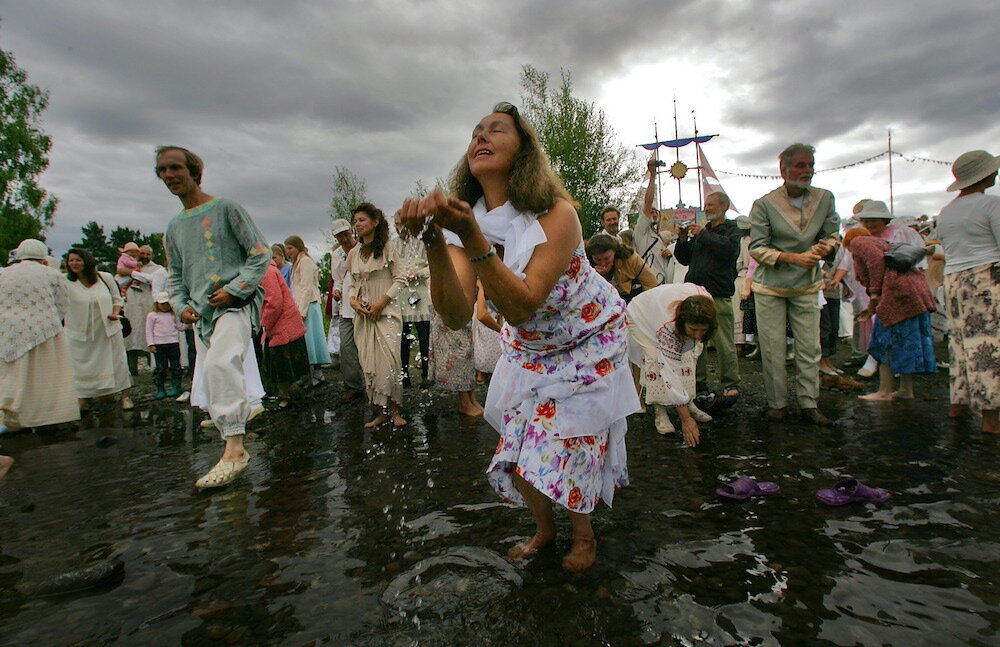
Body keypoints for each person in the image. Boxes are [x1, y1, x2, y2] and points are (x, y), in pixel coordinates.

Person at [398, 101, 638, 572]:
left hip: (587, 342)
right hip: (531, 349)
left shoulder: (557, 215)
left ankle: (583, 536)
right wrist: (432, 239)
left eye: (496, 130)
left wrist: (469, 234)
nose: (481, 137)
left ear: (525, 150)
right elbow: (451, 313)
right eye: (475, 131)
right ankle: (544, 530)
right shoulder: (468, 222)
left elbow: (522, 302)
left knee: (571, 441)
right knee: (521, 443)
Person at [157, 145, 270, 488]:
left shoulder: (226, 209)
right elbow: (175, 276)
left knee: (220, 363)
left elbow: (259, 254)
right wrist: (180, 305)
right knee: (209, 370)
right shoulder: (173, 228)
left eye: (175, 167)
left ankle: (234, 449)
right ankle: (233, 436)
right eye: (162, 170)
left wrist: (235, 289)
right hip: (201, 314)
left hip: (235, 303)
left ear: (194, 171)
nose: (169, 175)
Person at [749, 143, 840, 425]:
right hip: (770, 286)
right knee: (773, 347)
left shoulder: (825, 198)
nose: (807, 170)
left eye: (810, 165)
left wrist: (825, 249)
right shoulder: (764, 204)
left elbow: (833, 234)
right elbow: (757, 247)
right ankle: (777, 404)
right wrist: (791, 257)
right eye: (801, 165)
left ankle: (808, 403)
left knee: (810, 346)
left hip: (807, 283)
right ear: (783, 169)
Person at [936, 150, 1000, 433]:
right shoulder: (991, 205)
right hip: (985, 276)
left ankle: (958, 405)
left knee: (961, 342)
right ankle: (991, 418)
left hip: (954, 279)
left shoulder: (947, 211)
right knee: (988, 344)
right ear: (984, 175)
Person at [843, 228, 937, 401]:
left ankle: (885, 391)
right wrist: (872, 306)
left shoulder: (858, 242)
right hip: (914, 293)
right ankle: (905, 389)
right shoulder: (881, 243)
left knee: (885, 340)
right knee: (907, 340)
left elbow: (875, 263)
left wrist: (875, 294)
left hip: (896, 295)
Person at [0, 239, 79, 431]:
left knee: (12, 375)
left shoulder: (4, 273)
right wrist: (53, 322)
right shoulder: (52, 274)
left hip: (7, 330)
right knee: (44, 377)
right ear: (42, 254)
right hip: (44, 330)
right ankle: (46, 419)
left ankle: (11, 419)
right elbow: (62, 305)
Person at [673, 191, 742, 405]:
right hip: (695, 293)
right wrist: (683, 240)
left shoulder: (731, 230)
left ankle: (731, 383)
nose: (707, 208)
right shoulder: (703, 232)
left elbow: (728, 251)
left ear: (724, 206)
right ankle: (699, 383)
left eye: (711, 204)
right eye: (706, 204)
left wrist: (703, 235)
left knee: (724, 342)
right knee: (696, 340)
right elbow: (684, 259)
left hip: (718, 293)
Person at [627, 283, 718, 444]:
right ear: (683, 322)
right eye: (693, 330)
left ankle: (689, 402)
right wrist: (686, 421)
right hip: (640, 315)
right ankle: (660, 410)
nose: (697, 336)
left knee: (688, 357)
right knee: (655, 359)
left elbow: (693, 344)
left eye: (703, 331)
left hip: (660, 308)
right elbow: (670, 371)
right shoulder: (667, 327)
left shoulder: (706, 304)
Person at [347, 203, 408, 428]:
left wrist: (381, 303)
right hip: (363, 314)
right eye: (355, 221)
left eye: (362, 220)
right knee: (368, 362)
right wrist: (353, 302)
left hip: (386, 312)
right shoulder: (354, 253)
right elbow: (353, 284)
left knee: (389, 361)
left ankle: (395, 410)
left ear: (375, 222)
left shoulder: (388, 247)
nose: (357, 224)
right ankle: (380, 412)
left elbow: (400, 279)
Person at [64, 248, 134, 411]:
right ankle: (82, 399)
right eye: (71, 260)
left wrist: (115, 313)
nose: (74, 263)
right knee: (79, 367)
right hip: (79, 333)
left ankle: (125, 397)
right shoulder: (66, 281)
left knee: (117, 363)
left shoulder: (105, 278)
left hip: (107, 330)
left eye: (78, 260)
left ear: (87, 261)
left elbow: (118, 299)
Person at [259, 257, 309, 408]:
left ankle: (286, 397)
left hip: (282, 326)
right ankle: (291, 394)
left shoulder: (266, 273)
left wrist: (266, 325)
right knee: (282, 363)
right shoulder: (269, 271)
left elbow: (274, 302)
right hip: (283, 325)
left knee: (281, 363)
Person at [284, 235, 331, 386]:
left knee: (312, 340)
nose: (288, 251)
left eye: (290, 248)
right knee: (305, 341)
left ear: (298, 246)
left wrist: (301, 312)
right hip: (301, 305)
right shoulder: (297, 262)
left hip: (308, 305)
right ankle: (308, 374)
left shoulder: (305, 262)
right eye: (286, 249)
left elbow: (305, 288)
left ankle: (317, 373)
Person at [394, 212, 432, 388]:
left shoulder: (422, 243)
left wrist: (419, 273)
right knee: (402, 338)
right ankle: (404, 375)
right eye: (396, 224)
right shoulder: (391, 245)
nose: (398, 228)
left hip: (421, 294)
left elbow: (431, 266)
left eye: (401, 224)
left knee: (425, 336)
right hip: (400, 296)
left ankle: (426, 373)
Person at [330, 218, 365, 403]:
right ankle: (353, 386)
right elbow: (336, 278)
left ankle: (373, 384)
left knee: (366, 345)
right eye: (339, 236)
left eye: (345, 234)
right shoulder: (336, 255)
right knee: (346, 347)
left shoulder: (362, 248)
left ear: (351, 231)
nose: (344, 239)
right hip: (345, 306)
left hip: (363, 303)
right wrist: (336, 290)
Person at [633, 159, 676, 284]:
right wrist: (652, 176)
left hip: (663, 284)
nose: (654, 214)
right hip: (650, 285)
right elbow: (648, 202)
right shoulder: (641, 231)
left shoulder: (659, 236)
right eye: (651, 212)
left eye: (656, 211)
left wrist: (669, 254)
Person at [123, 244, 163, 375]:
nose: (144, 256)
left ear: (152, 256)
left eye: (147, 254)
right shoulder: (128, 266)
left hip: (148, 306)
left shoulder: (157, 269)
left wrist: (134, 274)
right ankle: (132, 370)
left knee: (150, 336)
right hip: (132, 307)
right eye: (142, 253)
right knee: (131, 337)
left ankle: (156, 369)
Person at [586, 233, 660, 302]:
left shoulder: (630, 258)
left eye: (607, 258)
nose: (603, 263)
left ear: (614, 252)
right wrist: (595, 276)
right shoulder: (587, 266)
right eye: (598, 260)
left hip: (633, 298)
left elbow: (651, 283)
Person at [146, 292, 186, 399]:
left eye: (167, 304)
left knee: (175, 366)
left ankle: (176, 387)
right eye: (162, 304)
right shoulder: (152, 316)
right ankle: (160, 389)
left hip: (173, 343)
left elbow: (180, 327)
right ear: (157, 304)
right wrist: (150, 344)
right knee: (160, 367)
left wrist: (189, 324)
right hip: (159, 345)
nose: (165, 306)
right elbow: (148, 330)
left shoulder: (174, 315)